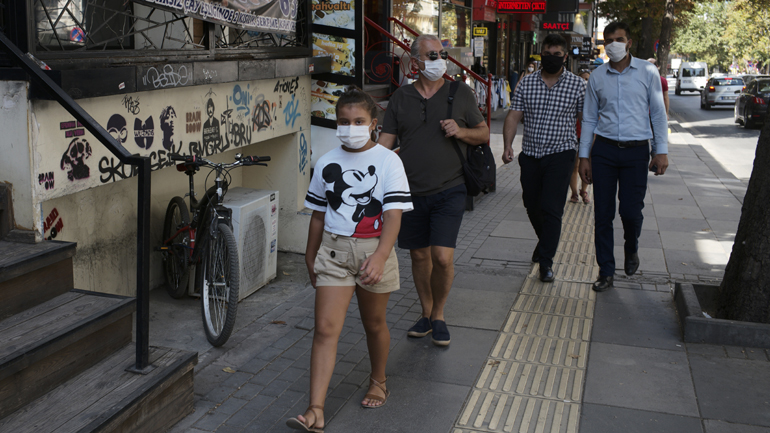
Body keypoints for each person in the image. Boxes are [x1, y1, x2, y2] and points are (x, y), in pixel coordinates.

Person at [287, 87, 413, 432]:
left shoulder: (389, 161)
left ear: (374, 123)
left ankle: (379, 379)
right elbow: (317, 215)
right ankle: (315, 409)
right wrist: (310, 257)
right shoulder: (326, 162)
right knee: (325, 329)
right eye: (344, 121)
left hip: (375, 251)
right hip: (334, 253)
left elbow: (394, 215)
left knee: (374, 324)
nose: (350, 127)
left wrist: (381, 255)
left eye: (358, 121)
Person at [379, 34, 489, 346]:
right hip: (408, 192)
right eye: (431, 55)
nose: (439, 59)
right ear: (414, 63)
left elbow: (482, 134)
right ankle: (426, 313)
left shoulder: (460, 92)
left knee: (441, 257)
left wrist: (461, 130)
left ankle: (439, 314)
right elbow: (386, 144)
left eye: (441, 53)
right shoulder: (401, 98)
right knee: (418, 256)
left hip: (450, 188)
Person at [578, 22, 669, 292]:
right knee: (602, 215)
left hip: (636, 151)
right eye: (608, 40)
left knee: (630, 212)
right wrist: (585, 157)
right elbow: (590, 118)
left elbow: (658, 114)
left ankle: (632, 248)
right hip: (604, 150)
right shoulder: (597, 76)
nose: (613, 44)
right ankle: (606, 270)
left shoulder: (648, 71)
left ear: (629, 42)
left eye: (619, 39)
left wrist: (660, 151)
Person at [502, 34, 587, 282]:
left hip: (561, 154)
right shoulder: (527, 84)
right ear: (541, 54)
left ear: (565, 57)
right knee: (531, 204)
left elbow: (586, 121)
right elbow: (513, 116)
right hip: (530, 154)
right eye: (547, 54)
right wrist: (508, 145)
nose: (551, 59)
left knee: (552, 209)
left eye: (557, 55)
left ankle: (546, 263)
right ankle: (545, 240)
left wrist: (585, 157)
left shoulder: (577, 85)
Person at [570, 70, 591, 204]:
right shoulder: (574, 95)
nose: (585, 82)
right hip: (574, 135)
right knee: (574, 167)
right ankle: (574, 193)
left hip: (587, 136)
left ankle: (584, 191)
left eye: (588, 79)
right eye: (583, 79)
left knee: (586, 165)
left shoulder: (594, 97)